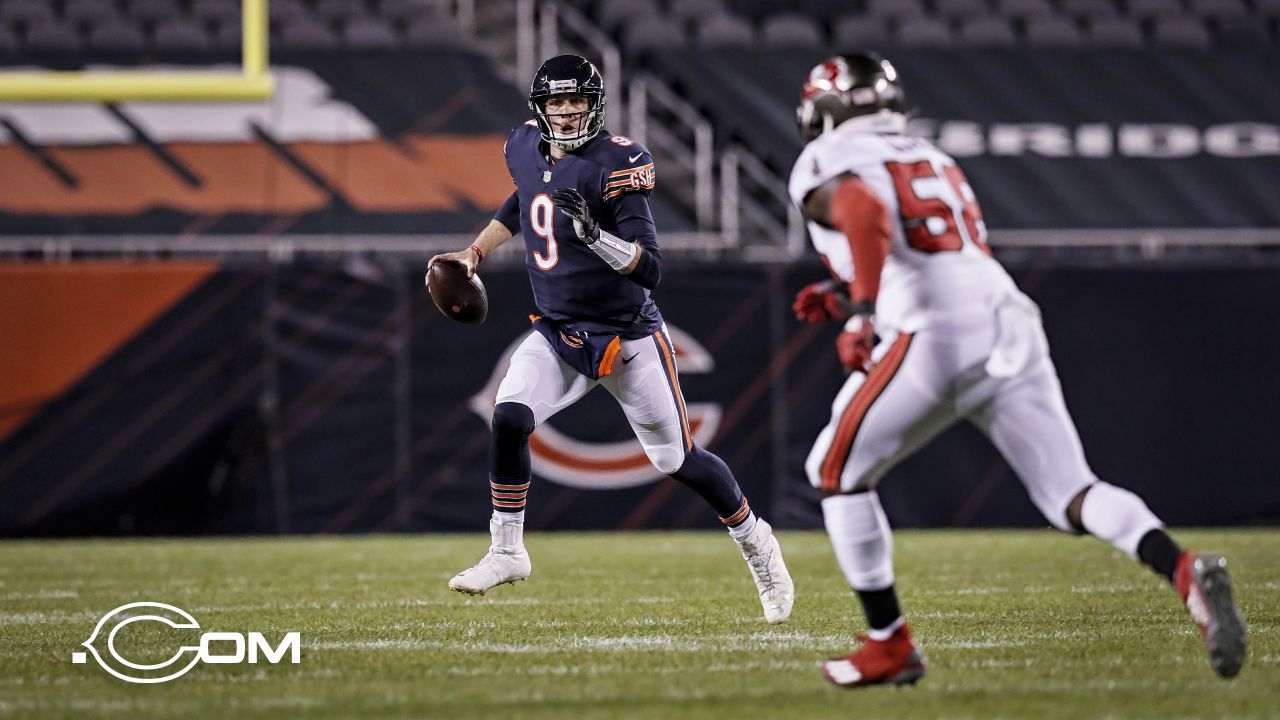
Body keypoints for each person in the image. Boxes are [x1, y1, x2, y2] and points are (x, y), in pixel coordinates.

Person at [787, 52, 1247, 687]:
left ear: (825, 112)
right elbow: (935, 247)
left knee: (833, 471)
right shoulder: (933, 155)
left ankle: (890, 644)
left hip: (935, 330)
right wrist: (847, 295)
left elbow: (865, 210)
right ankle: (1183, 568)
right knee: (1071, 492)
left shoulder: (827, 158)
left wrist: (861, 310)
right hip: (1008, 318)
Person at [428, 55, 793, 624]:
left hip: (627, 338)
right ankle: (506, 550)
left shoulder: (618, 162)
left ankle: (758, 545)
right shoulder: (524, 145)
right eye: (557, 103)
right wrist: (474, 251)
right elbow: (525, 200)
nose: (567, 113)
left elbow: (651, 269)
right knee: (509, 417)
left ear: (595, 105)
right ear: (540, 108)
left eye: (577, 102)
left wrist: (595, 237)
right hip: (557, 330)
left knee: (679, 459)